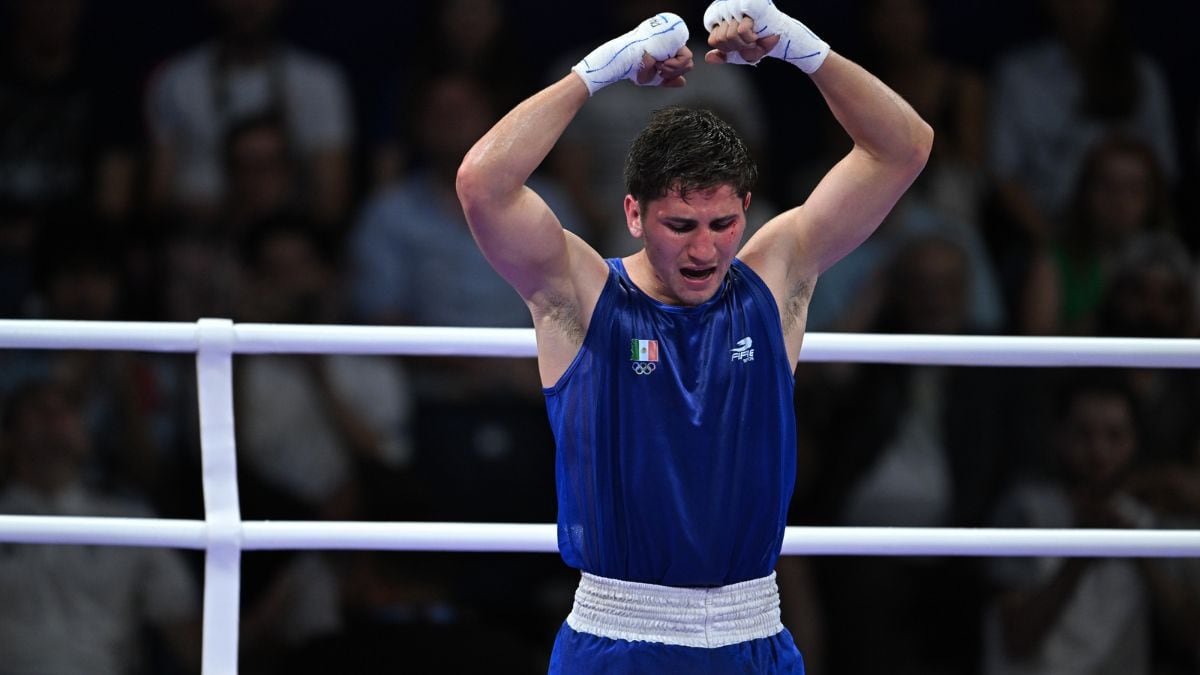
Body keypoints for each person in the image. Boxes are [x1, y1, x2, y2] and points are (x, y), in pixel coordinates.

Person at [454, 2, 933, 671]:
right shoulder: (580, 294)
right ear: (633, 213)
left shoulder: (776, 276)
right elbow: (483, 183)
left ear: (745, 208)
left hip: (755, 635)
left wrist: (797, 46)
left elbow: (904, 146)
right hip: (618, 639)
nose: (706, 248)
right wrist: (602, 70)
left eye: (722, 223)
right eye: (681, 225)